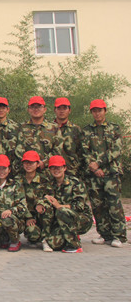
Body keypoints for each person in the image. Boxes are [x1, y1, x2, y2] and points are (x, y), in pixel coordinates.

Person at [82, 99, 127, 248]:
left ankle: (119, 236)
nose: (97, 113)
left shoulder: (114, 128)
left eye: (100, 110)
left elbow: (116, 150)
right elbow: (84, 151)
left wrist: (99, 163)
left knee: (114, 204)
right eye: (94, 111)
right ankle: (104, 234)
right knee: (98, 205)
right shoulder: (87, 130)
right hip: (93, 174)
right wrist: (94, 168)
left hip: (111, 173)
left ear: (105, 111)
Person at [39, 156, 92, 253]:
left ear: (64, 168)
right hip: (60, 220)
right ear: (49, 169)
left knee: (62, 211)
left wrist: (59, 206)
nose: (56, 170)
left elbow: (80, 206)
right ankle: (65, 236)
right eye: (53, 168)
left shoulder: (75, 183)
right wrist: (42, 202)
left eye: (58, 167)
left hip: (81, 219)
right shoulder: (49, 184)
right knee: (52, 244)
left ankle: (75, 245)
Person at [0, 155, 28, 252]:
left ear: (9, 169)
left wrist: (11, 211)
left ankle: (15, 241)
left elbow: (23, 206)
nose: (1, 171)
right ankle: (4, 238)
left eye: (4, 168)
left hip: (14, 221)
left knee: (7, 219)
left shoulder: (16, 185)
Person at [14, 96, 63, 171]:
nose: (36, 109)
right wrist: (29, 163)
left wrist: (44, 163)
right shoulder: (21, 127)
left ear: (45, 109)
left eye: (39, 107)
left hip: (48, 171)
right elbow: (18, 148)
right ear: (28, 110)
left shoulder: (54, 128)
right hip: (27, 170)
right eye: (32, 107)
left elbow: (58, 150)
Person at [18, 150, 53, 251]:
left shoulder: (44, 180)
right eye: (26, 162)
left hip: (38, 214)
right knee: (32, 232)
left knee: (47, 207)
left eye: (31, 163)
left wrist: (41, 203)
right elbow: (16, 199)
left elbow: (50, 196)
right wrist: (28, 216)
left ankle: (46, 239)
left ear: (38, 164)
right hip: (23, 214)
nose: (28, 165)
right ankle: (12, 239)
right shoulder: (17, 180)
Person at [53, 97, 83, 177]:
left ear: (69, 110)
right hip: (52, 170)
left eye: (64, 108)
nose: (62, 111)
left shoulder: (76, 129)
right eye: (59, 108)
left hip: (71, 171)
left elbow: (81, 152)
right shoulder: (48, 128)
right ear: (55, 110)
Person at [0, 97, 19, 167]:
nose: (0, 110)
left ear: (8, 110)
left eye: (3, 108)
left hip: (10, 165)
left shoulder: (15, 127)